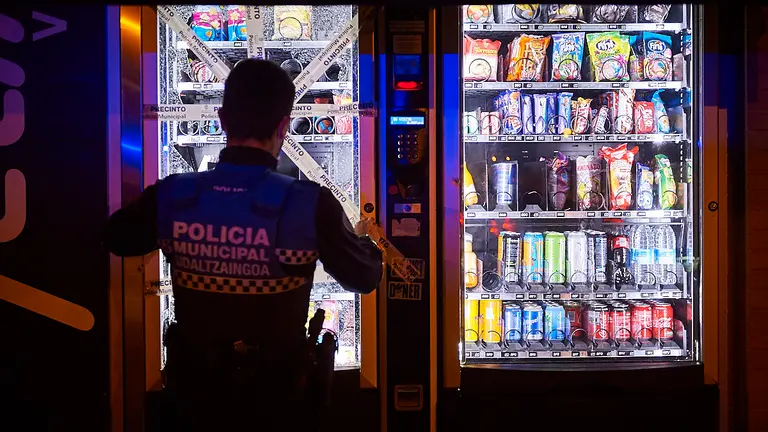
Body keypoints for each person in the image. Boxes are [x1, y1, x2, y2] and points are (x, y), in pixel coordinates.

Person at [103, 59, 383, 431]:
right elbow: (364, 277)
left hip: (194, 405)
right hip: (280, 405)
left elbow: (117, 237)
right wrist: (363, 240)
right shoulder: (310, 203)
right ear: (284, 126)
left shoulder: (173, 195)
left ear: (222, 119)